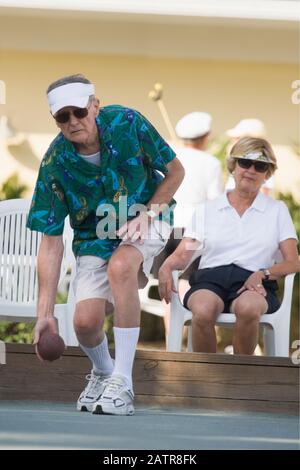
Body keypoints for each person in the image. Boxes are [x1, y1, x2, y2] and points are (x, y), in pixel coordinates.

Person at [27, 74, 184, 415]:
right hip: (94, 237)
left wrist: (149, 214)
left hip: (148, 215)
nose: (72, 122)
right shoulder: (55, 163)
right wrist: (45, 315)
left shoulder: (129, 122)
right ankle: (103, 371)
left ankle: (123, 383)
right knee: (84, 322)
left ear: (95, 106)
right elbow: (51, 242)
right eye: (62, 117)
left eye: (79, 112)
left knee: (122, 266)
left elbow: (175, 172)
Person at [158, 137, 299, 355]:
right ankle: (210, 377)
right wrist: (166, 267)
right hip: (211, 279)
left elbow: (293, 262)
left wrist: (263, 273)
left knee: (249, 308)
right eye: (245, 162)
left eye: (260, 166)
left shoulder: (276, 210)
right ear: (233, 166)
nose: (251, 170)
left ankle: (240, 375)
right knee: (203, 310)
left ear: (267, 173)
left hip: (254, 281)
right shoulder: (208, 209)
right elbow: (184, 253)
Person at [151, 111, 222, 339]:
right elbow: (214, 201)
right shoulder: (211, 163)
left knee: (166, 282)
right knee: (186, 283)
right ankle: (187, 338)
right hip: (193, 228)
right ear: (205, 136)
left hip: (165, 225)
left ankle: (172, 339)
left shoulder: (170, 156)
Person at [226, 118, 274, 196]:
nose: (233, 141)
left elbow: (263, 197)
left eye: (238, 138)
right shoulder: (237, 161)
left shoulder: (262, 165)